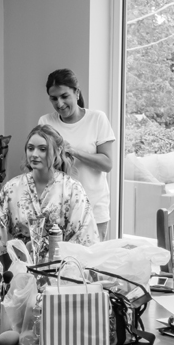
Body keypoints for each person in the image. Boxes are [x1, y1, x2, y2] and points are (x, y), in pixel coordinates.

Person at [0, 124, 98, 264]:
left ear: (57, 151)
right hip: (21, 269)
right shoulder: (12, 187)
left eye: (42, 149)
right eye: (30, 148)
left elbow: (84, 239)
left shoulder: (73, 189)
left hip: (61, 269)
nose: (34, 154)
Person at [39, 69, 116, 239]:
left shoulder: (97, 119)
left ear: (77, 93)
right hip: (58, 210)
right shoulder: (45, 122)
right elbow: (41, 167)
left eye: (64, 96)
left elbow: (107, 164)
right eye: (54, 98)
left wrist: (73, 151)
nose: (59, 104)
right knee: (57, 254)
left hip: (94, 207)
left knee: (92, 255)